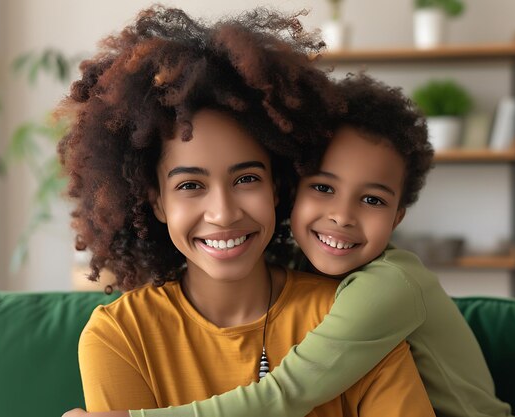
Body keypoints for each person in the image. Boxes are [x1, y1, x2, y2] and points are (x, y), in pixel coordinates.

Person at [58, 5, 435, 417]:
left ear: (277, 186)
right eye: (190, 186)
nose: (222, 213)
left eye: (246, 179)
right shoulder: (120, 336)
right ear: (156, 201)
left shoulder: (351, 321)